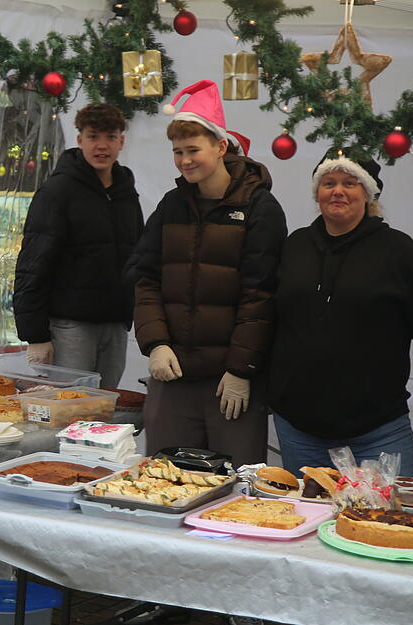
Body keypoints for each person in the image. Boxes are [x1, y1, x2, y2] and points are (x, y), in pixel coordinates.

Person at [269, 152, 413, 478]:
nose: (338, 191)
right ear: (317, 193)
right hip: (299, 428)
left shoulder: (401, 254)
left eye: (350, 183)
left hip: (378, 430)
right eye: (329, 183)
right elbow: (269, 320)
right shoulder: (295, 247)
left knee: (390, 510)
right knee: (306, 509)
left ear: (368, 193)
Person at [129, 80, 287, 467]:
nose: (185, 160)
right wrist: (156, 343)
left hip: (229, 382)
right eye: (178, 152)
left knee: (235, 483)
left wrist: (241, 370)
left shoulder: (260, 208)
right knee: (164, 478)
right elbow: (145, 279)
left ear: (220, 146)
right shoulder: (171, 206)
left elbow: (261, 294)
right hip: (173, 376)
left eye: (193, 150)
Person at [13, 103, 144, 388]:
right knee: (70, 405)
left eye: (110, 137)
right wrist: (35, 335)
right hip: (70, 326)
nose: (102, 146)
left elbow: (138, 256)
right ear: (80, 139)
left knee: (105, 406)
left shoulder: (126, 192)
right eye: (93, 136)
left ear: (121, 141)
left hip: (115, 323)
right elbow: (33, 265)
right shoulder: (57, 191)